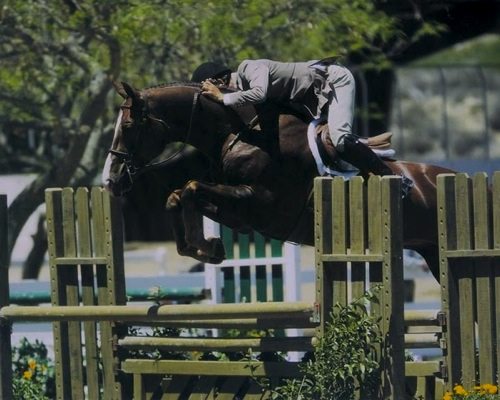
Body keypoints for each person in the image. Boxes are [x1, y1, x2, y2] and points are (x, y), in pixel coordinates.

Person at [196, 59, 412, 194]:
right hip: (314, 99)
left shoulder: (249, 68)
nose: (215, 97)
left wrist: (222, 99)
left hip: (334, 80)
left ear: (219, 82)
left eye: (211, 91)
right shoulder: (245, 95)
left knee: (339, 139)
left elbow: (260, 93)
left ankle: (393, 179)